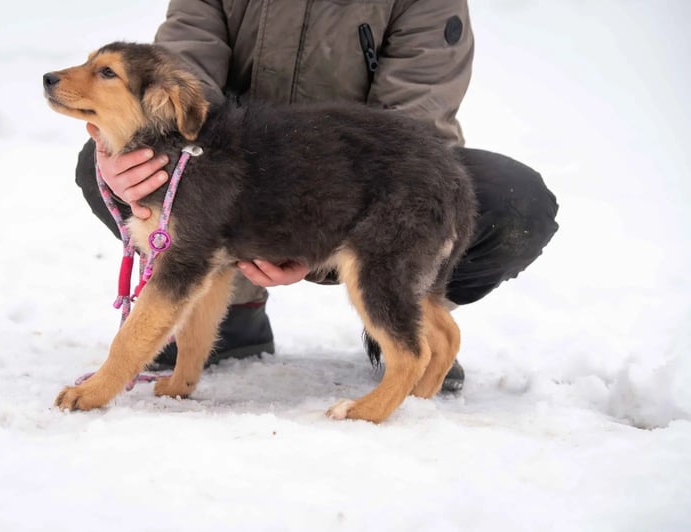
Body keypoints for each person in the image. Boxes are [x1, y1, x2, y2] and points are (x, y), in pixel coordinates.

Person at [74, 0, 559, 392]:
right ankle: (235, 308)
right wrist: (123, 161)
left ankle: (403, 315)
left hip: (354, 193)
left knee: (510, 201)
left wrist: (310, 237)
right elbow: (180, 74)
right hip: (234, 178)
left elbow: (411, 135)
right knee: (115, 168)